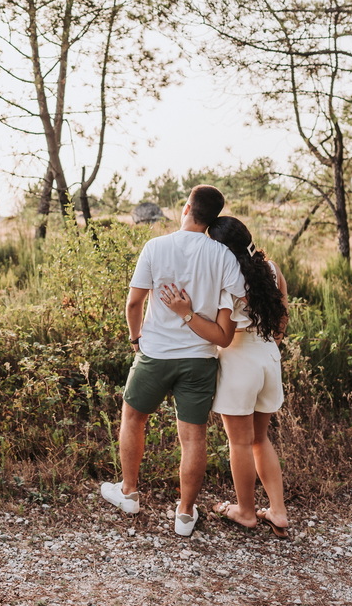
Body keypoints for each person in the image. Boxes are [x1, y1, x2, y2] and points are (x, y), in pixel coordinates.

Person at [100, 185, 245, 537]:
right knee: (193, 437)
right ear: (214, 217)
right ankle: (184, 513)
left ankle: (129, 493)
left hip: (156, 354)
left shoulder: (156, 247)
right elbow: (237, 301)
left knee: (133, 418)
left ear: (186, 208)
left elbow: (134, 303)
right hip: (200, 358)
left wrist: (136, 337)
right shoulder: (224, 256)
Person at [159, 215, 290, 538]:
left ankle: (245, 512)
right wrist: (269, 345)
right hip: (269, 359)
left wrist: (185, 314)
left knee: (240, 442)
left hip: (239, 364)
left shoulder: (228, 282)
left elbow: (223, 336)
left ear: (220, 249)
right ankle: (278, 511)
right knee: (260, 439)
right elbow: (282, 318)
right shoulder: (272, 270)